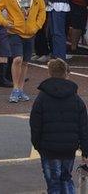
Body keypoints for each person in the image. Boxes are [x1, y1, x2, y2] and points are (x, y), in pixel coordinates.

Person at [30, 58, 88, 193]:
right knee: (66, 179)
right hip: (69, 148)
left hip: (48, 148)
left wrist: (38, 145)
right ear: (66, 73)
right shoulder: (76, 99)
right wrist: (85, 150)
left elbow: (35, 125)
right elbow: (83, 127)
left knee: (54, 184)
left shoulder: (42, 98)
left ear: (50, 73)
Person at [0, 0, 47, 103]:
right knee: (17, 59)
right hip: (14, 31)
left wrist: (37, 26)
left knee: (25, 62)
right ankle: (15, 89)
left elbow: (42, 11)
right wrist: (4, 22)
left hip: (30, 32)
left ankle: (21, 89)